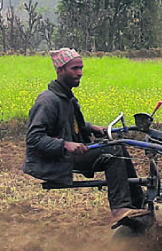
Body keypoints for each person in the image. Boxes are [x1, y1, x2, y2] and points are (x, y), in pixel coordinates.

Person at [22, 48, 147, 228]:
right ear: (60, 70)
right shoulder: (48, 101)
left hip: (66, 152)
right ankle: (120, 208)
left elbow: (69, 124)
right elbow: (34, 139)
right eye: (74, 68)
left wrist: (90, 128)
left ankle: (138, 202)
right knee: (113, 150)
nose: (80, 73)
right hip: (57, 159)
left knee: (118, 143)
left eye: (81, 68)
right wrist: (65, 144)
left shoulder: (67, 97)